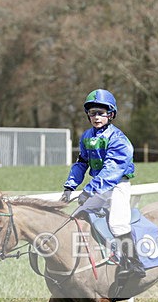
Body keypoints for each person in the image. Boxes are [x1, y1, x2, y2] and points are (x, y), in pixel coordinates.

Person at [60, 89, 146, 279]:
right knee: (77, 216)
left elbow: (111, 172)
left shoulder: (119, 139)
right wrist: (70, 186)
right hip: (98, 187)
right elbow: (81, 163)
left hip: (117, 186)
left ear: (111, 114)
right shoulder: (86, 137)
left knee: (117, 224)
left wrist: (88, 191)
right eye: (92, 113)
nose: (96, 117)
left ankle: (133, 263)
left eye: (101, 113)